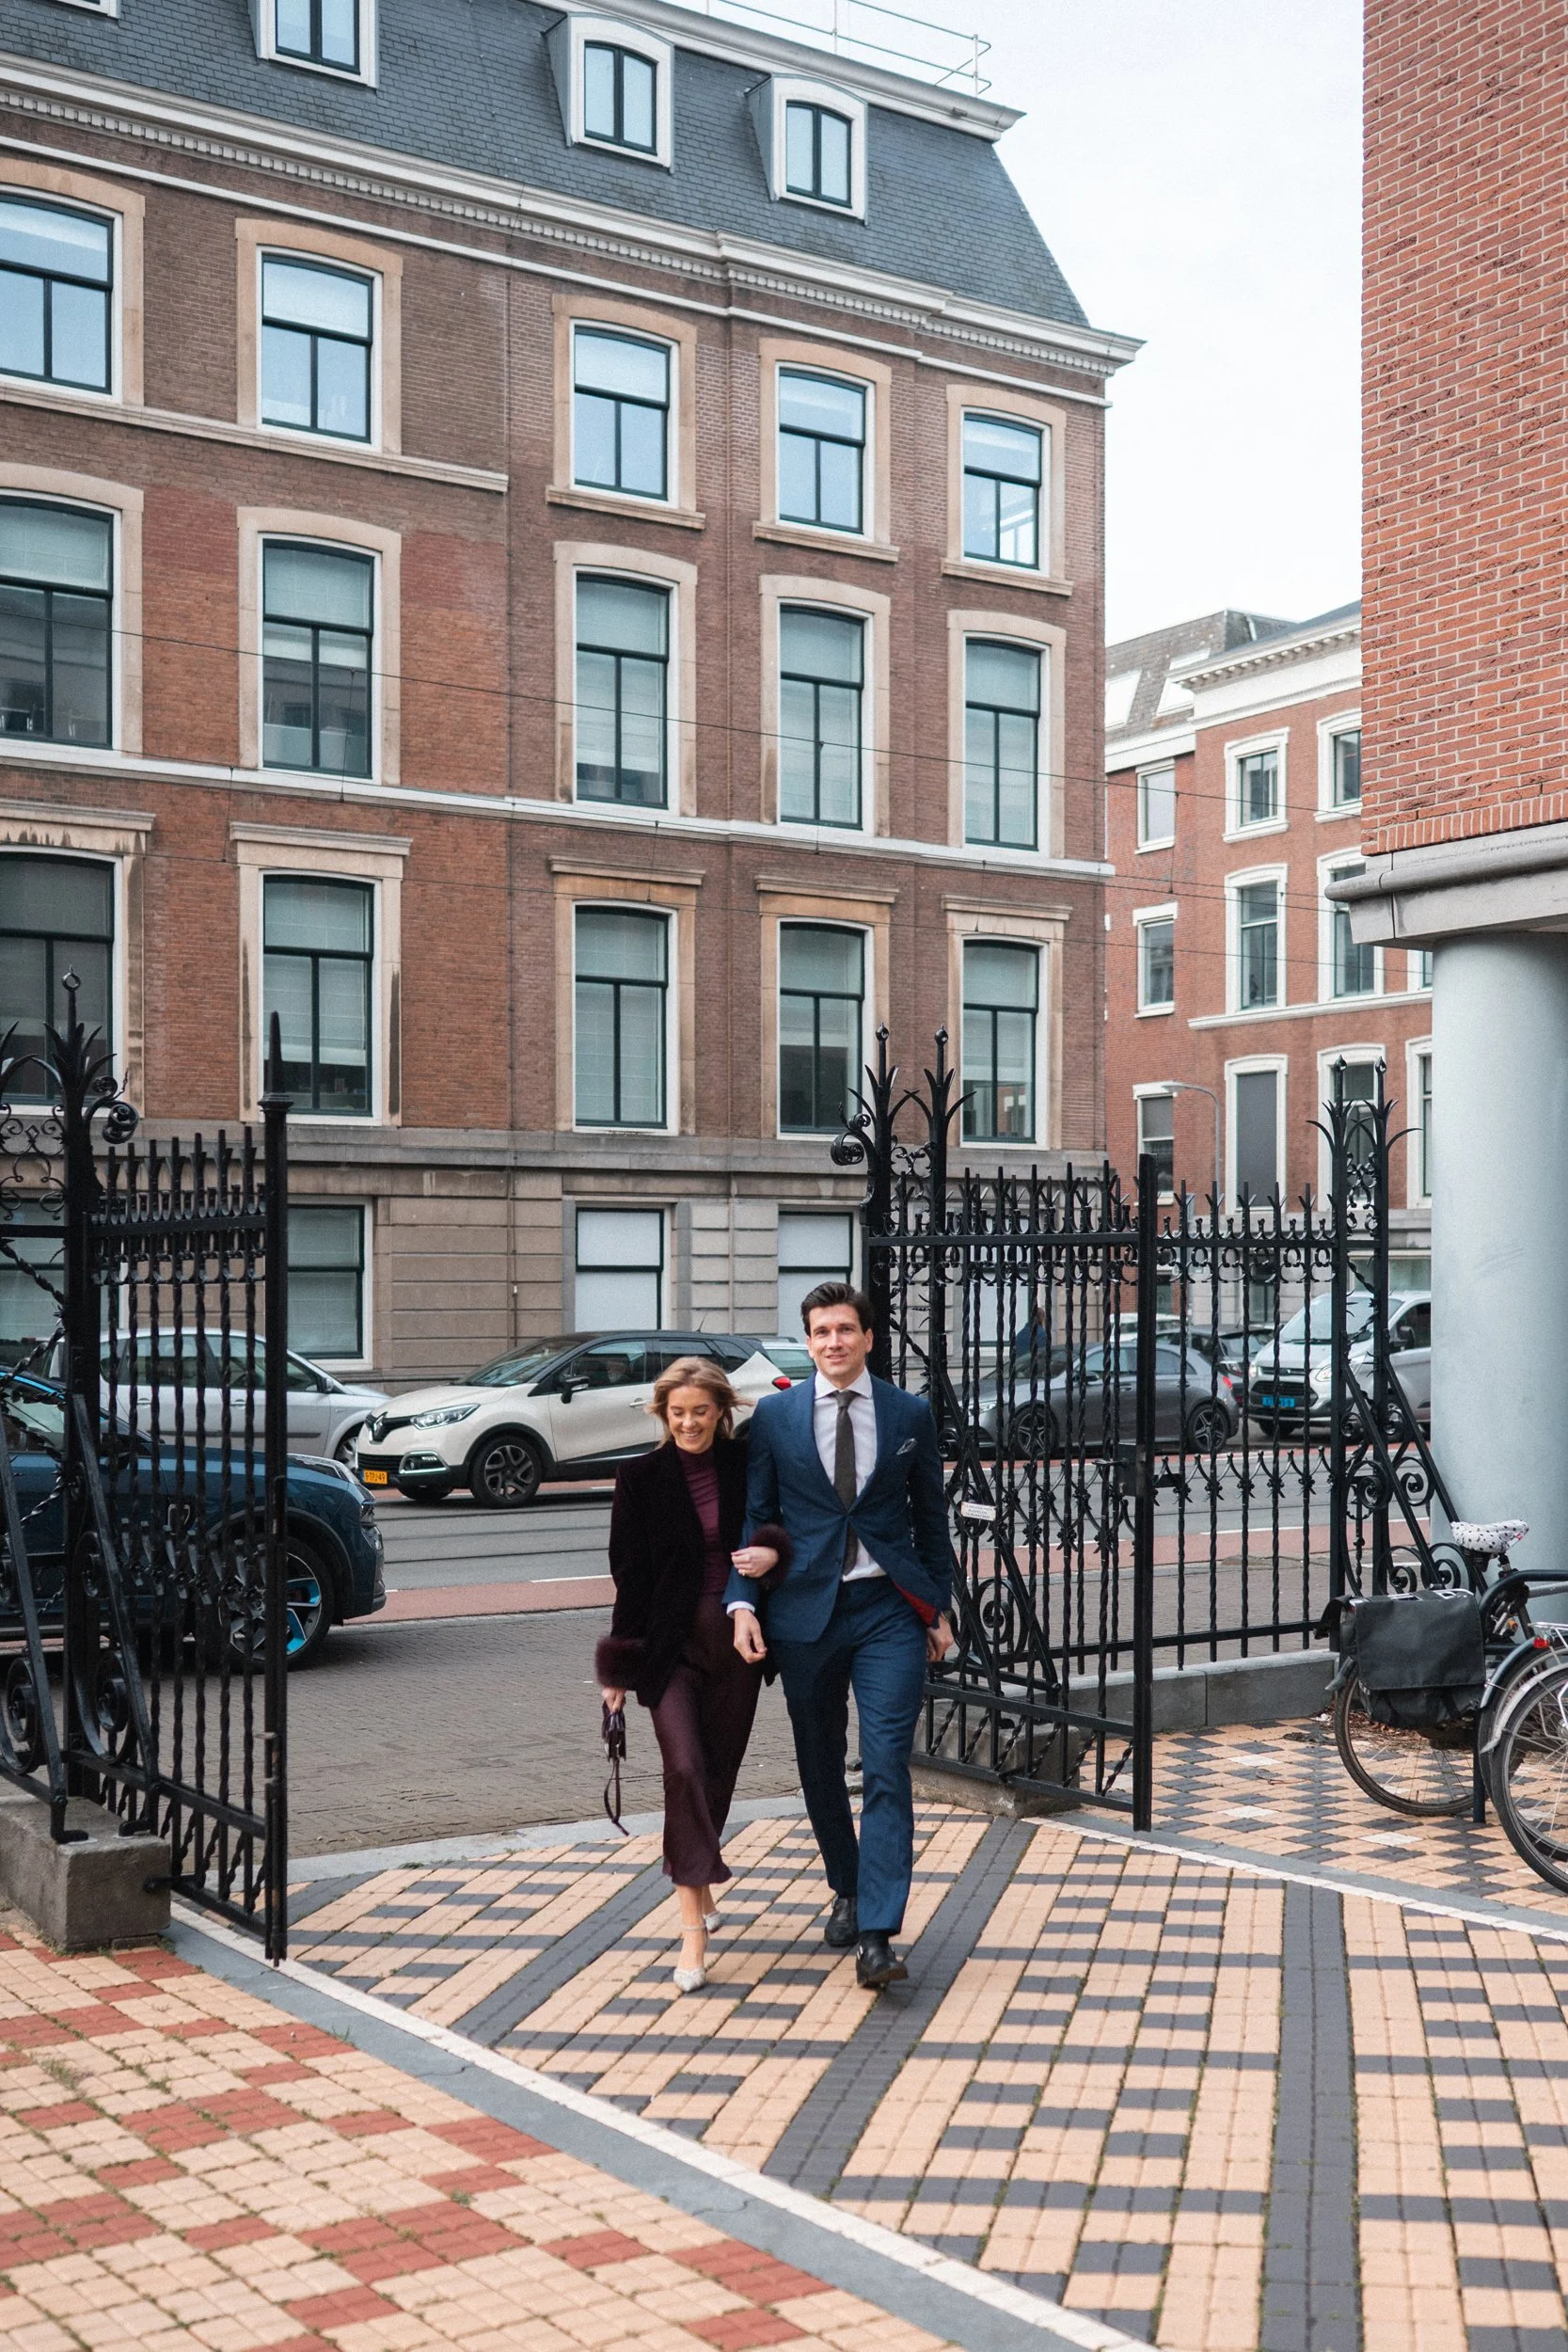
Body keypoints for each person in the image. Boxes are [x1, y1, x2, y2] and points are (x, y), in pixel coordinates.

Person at [726, 1284, 956, 1992]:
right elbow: (755, 1518)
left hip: (887, 1608)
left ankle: (878, 1933)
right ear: (808, 1339)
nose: (833, 1342)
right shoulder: (774, 1418)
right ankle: (847, 1887)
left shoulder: (908, 1413)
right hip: (804, 1615)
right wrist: (742, 1600)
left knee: (886, 1761)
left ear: (867, 1339)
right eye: (821, 1331)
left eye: (845, 1330)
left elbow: (930, 1521)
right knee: (819, 1761)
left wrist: (937, 1608)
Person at [595, 1357, 787, 1992]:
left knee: (718, 1773)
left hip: (737, 1638)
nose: (687, 1423)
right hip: (665, 1646)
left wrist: (772, 1553)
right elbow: (629, 1577)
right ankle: (691, 1933)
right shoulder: (639, 1477)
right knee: (682, 1768)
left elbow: (779, 1530)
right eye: (676, 1413)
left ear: (720, 1411)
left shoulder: (744, 1465)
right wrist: (617, 1668)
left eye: (699, 1411)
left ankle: (696, 1873)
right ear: (662, 1414)